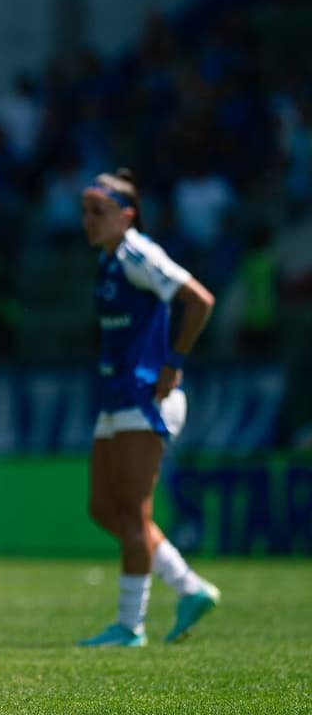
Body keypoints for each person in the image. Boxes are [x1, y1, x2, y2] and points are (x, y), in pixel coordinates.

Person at [78, 168, 220, 648]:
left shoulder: (138, 252)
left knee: (135, 516)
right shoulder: (109, 259)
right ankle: (189, 587)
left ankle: (129, 626)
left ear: (127, 215)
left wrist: (174, 363)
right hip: (117, 396)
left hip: (145, 398)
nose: (89, 220)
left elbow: (199, 301)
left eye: (99, 211)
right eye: (85, 212)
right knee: (103, 509)